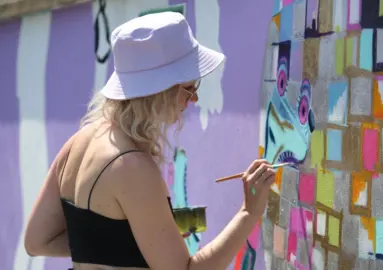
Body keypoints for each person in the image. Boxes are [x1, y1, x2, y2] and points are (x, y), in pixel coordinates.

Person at [24, 12, 276, 270]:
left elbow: (37, 241)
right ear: (159, 92)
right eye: (190, 88)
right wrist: (249, 212)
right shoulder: (131, 166)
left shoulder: (77, 143)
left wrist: (138, 231)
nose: (194, 100)